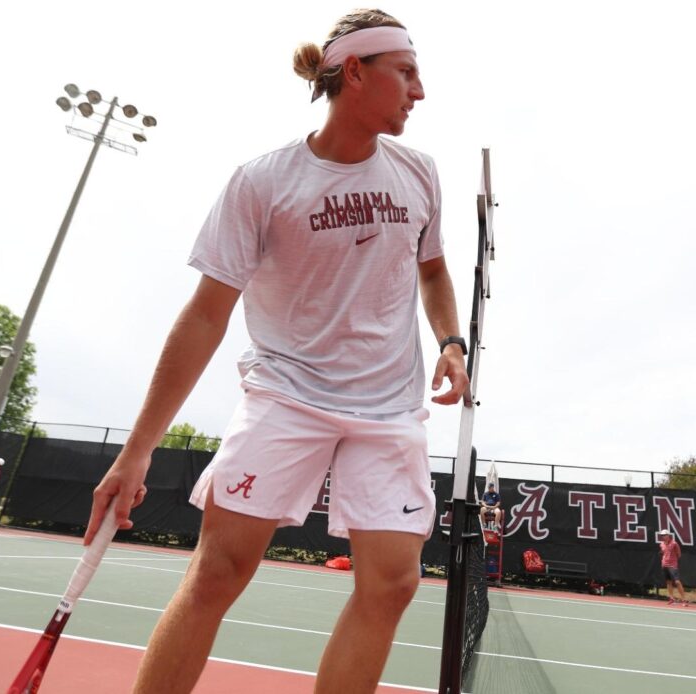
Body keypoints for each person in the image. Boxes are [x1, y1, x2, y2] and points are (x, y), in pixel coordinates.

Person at [84, 10, 468, 694]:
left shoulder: (421, 173)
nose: (421, 91)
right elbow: (204, 317)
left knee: (392, 587)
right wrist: (137, 447)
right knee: (217, 574)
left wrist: (450, 341)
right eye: (406, 73)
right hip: (288, 396)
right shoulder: (262, 182)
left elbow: (432, 270)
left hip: (389, 407)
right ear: (355, 71)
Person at [657, 529, 688, 606]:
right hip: (664, 565)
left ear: (668, 535)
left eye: (664, 535)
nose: (663, 537)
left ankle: (684, 600)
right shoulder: (661, 544)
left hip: (673, 565)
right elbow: (663, 552)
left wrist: (672, 560)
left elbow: (679, 554)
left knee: (677, 582)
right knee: (668, 582)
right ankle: (671, 598)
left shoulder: (674, 544)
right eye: (662, 535)